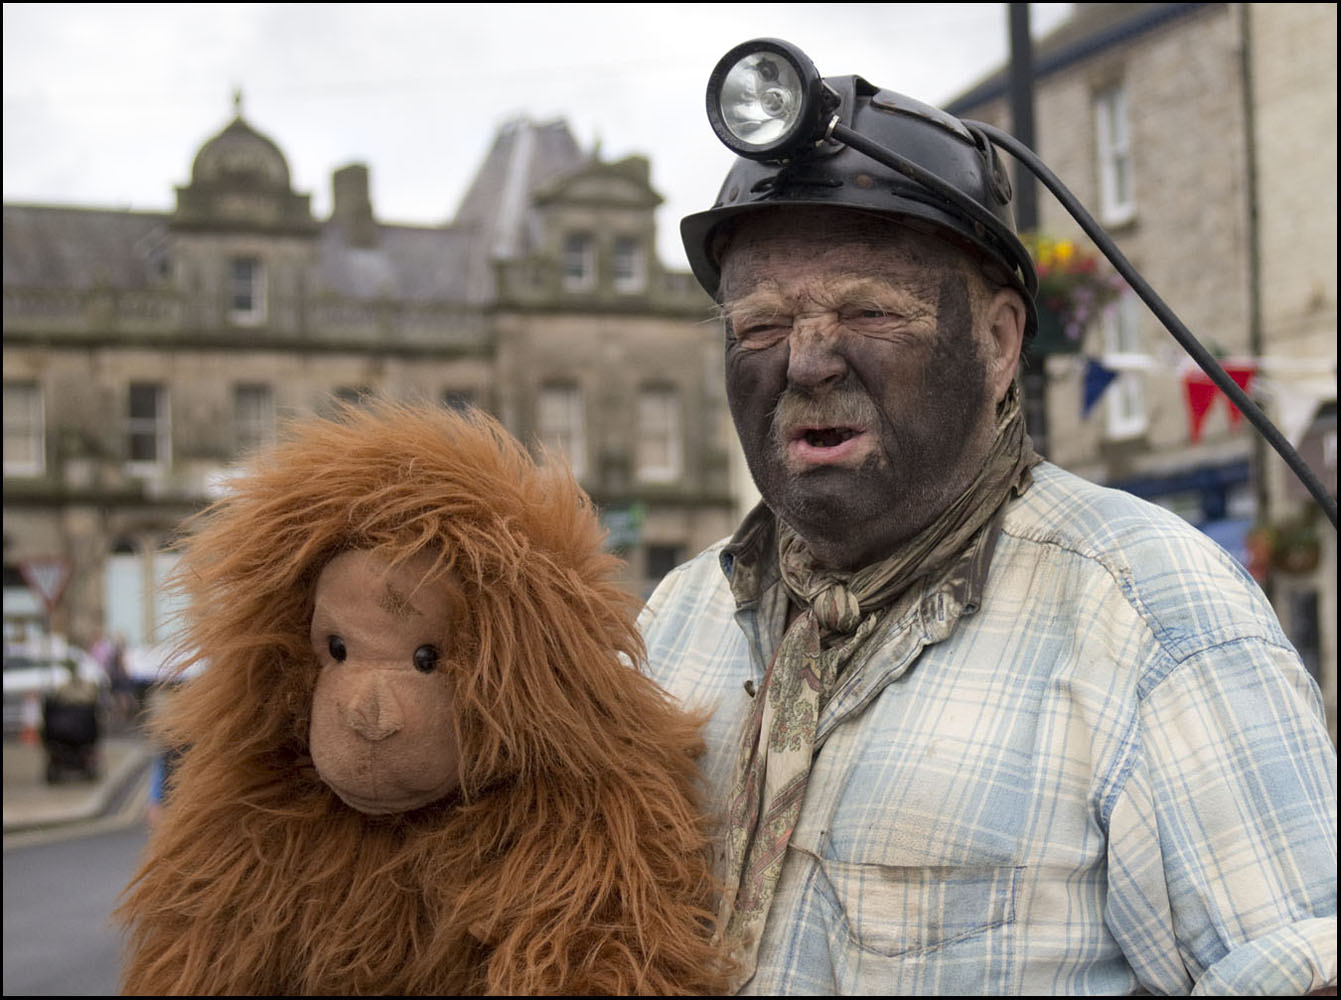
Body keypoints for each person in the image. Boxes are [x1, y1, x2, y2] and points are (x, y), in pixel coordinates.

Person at [639, 56, 1337, 996]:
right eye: (759, 326)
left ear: (1000, 342)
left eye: (868, 311)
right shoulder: (674, 623)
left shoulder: (1154, 621)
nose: (804, 360)